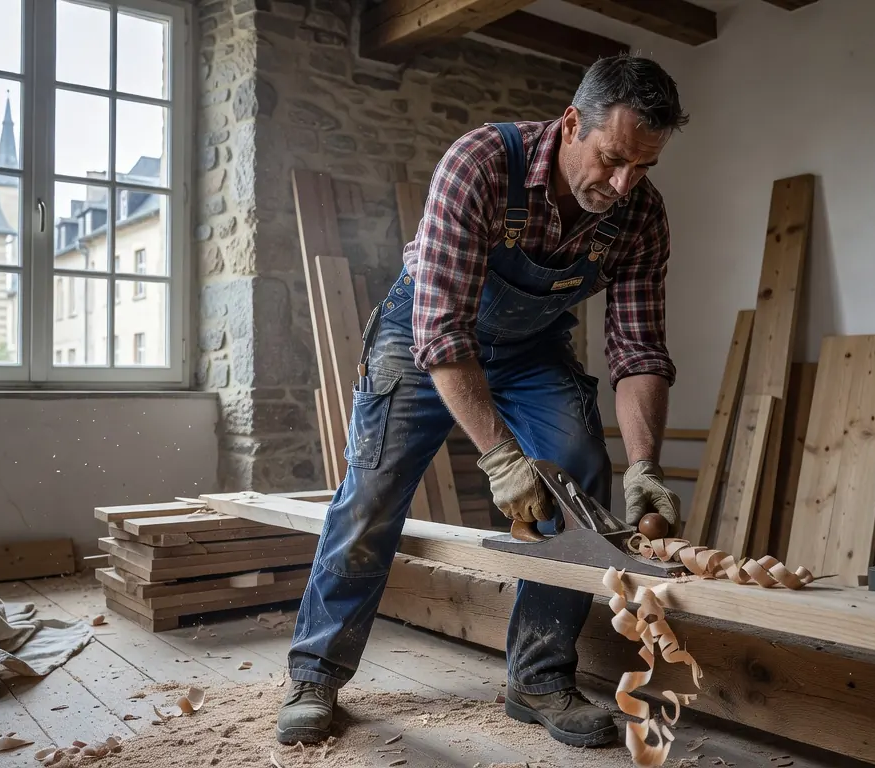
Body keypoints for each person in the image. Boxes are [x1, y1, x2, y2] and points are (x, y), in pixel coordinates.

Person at [277, 54, 687, 749]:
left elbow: (639, 348)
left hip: (529, 352)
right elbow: (441, 330)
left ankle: (538, 678)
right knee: (373, 492)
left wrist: (645, 465)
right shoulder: (481, 164)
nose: (623, 185)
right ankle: (316, 672)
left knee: (581, 467)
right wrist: (498, 455)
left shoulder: (640, 218)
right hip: (422, 339)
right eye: (613, 159)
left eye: (642, 167)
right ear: (570, 125)